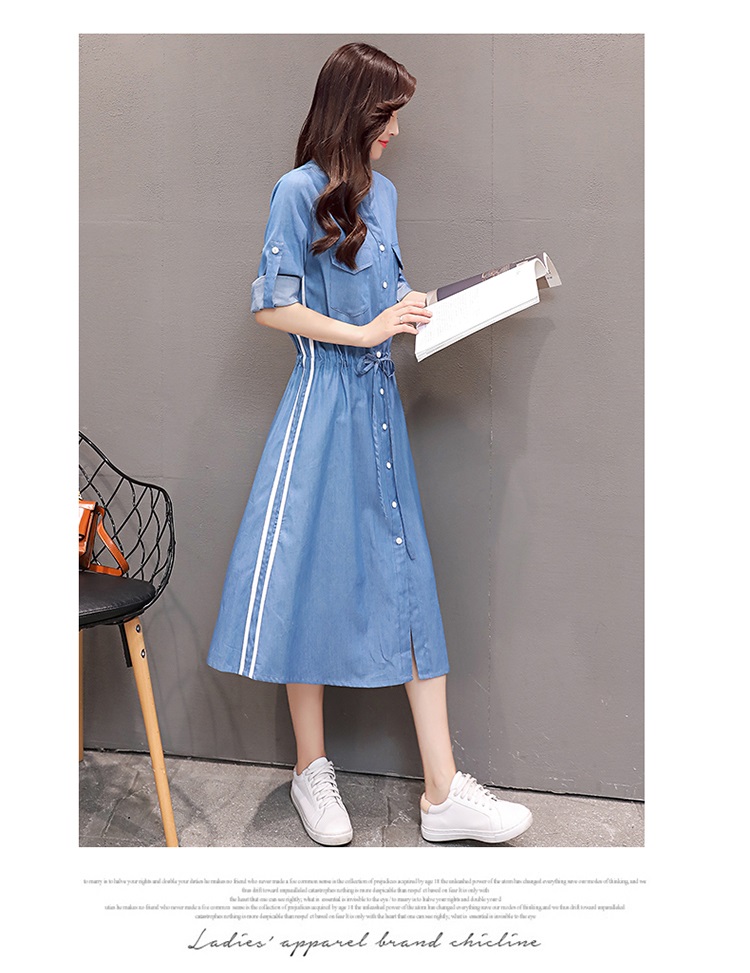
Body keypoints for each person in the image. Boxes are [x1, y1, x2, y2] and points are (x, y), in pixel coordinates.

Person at [207, 42, 532, 847]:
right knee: (309, 581)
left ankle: (442, 790)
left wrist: (421, 307)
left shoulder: (383, 194)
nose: (394, 132)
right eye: (388, 115)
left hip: (379, 409)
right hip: (321, 408)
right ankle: (309, 767)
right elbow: (271, 306)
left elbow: (383, 296)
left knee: (409, 579)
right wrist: (365, 330)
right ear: (354, 110)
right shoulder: (296, 191)